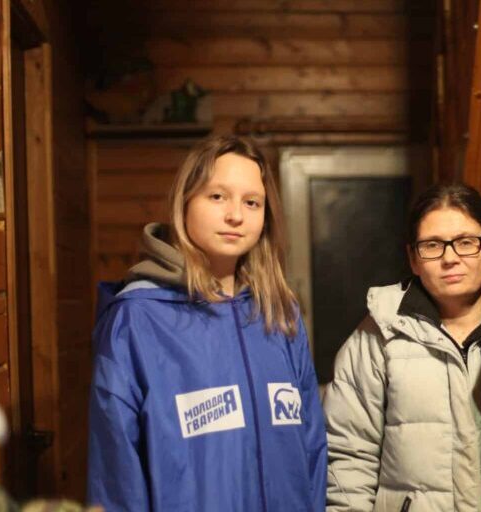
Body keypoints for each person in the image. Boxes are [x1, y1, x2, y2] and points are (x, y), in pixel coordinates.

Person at [87, 135, 327, 511]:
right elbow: (117, 473)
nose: (236, 215)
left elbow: (311, 446)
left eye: (252, 202)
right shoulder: (136, 318)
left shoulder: (280, 313)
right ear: (185, 202)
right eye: (217, 196)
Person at [324, 184, 481, 512]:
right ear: (413, 258)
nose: (450, 258)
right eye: (433, 245)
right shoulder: (379, 334)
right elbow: (349, 456)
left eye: (466, 243)